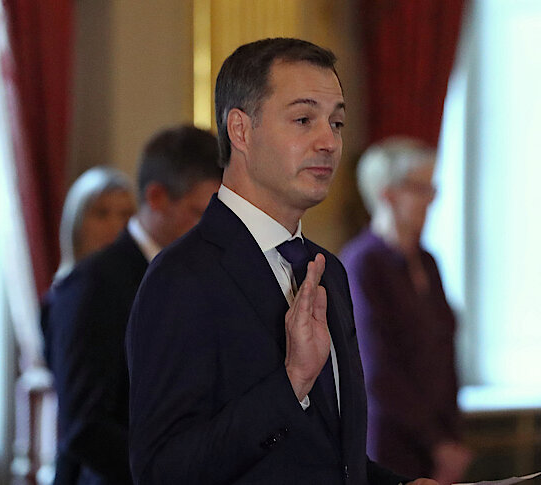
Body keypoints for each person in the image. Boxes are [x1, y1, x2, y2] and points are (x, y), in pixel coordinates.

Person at [126, 38, 438, 485]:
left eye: (337, 122)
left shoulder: (327, 269)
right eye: (303, 119)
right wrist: (291, 382)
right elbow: (162, 471)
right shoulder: (184, 276)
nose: (329, 141)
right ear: (241, 130)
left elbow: (329, 458)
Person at [44, 124, 222, 485]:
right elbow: (85, 426)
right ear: (156, 198)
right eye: (198, 212)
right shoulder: (93, 284)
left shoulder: (206, 273)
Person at [340, 138, 471, 484]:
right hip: (389, 443)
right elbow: (376, 370)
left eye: (433, 189)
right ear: (387, 194)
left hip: (439, 445)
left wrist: (450, 440)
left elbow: (444, 352)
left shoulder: (428, 262)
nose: (431, 201)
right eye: (420, 189)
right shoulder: (363, 264)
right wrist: (437, 443)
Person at [53, 166, 136, 283]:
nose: (116, 226)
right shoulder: (62, 293)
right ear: (77, 222)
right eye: (101, 214)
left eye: (125, 215)